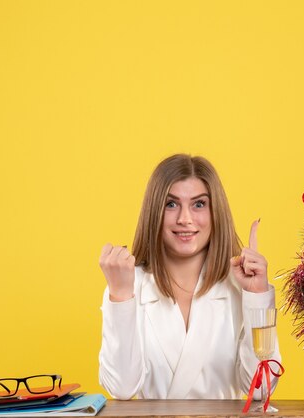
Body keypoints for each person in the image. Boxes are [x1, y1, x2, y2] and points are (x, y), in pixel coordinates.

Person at [98, 154, 281, 400]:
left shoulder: (239, 288)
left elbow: (261, 389)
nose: (185, 219)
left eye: (198, 204)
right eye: (171, 204)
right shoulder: (131, 286)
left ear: (215, 212)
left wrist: (258, 297)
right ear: (154, 212)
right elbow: (121, 388)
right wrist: (120, 295)